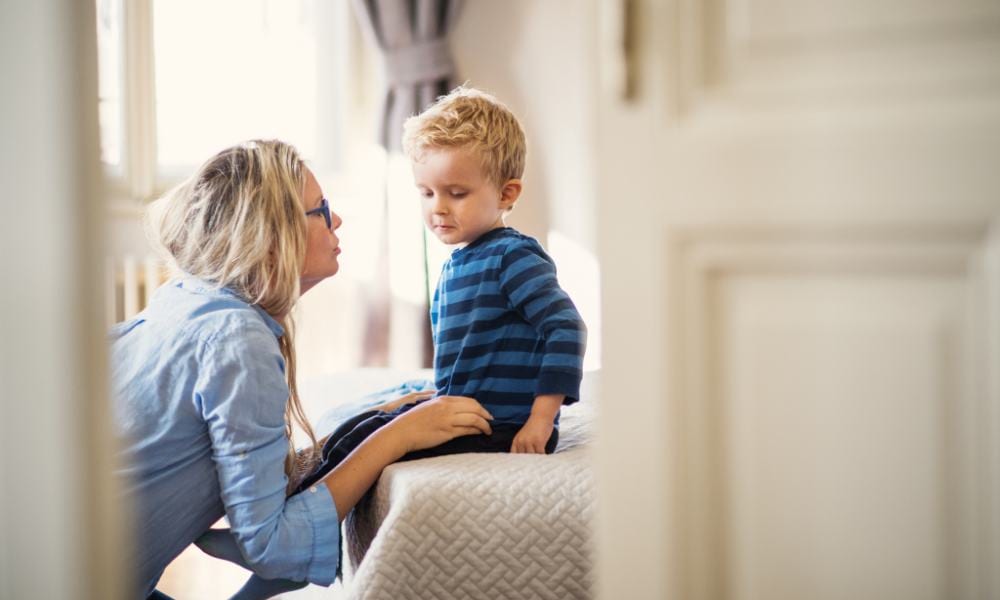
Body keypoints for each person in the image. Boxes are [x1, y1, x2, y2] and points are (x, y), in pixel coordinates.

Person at [202, 86, 588, 598]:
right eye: (426, 193)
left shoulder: (511, 257)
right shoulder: (461, 260)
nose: (438, 209)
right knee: (360, 423)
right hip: (469, 405)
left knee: (377, 441)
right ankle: (282, 523)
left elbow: (566, 328)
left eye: (456, 193)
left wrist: (542, 419)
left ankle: (281, 556)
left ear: (507, 194)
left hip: (504, 421)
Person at [110, 140, 494, 600]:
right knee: (283, 554)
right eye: (321, 209)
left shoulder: (184, 301)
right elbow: (270, 542)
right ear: (272, 239)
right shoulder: (236, 338)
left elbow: (256, 468)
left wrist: (377, 420)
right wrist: (402, 435)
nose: (336, 220)